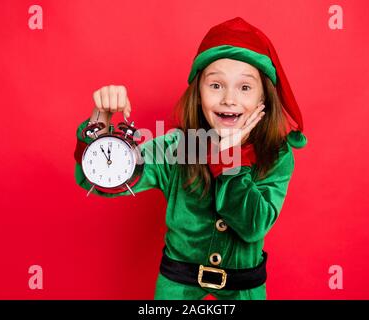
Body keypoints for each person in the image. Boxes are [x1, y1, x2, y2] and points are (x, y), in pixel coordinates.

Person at [73, 17, 307, 300]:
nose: (229, 99)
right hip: (178, 287)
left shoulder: (277, 154)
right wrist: (101, 121)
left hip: (244, 289)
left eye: (244, 87)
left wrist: (229, 160)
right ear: (198, 95)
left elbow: (252, 225)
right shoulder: (176, 147)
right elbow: (101, 182)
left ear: (263, 100)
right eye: (216, 85)